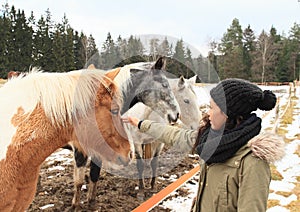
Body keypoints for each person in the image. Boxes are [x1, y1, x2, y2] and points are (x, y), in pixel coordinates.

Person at [122, 78, 285, 212]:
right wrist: (141, 124)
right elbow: (176, 136)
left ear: (229, 115)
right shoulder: (210, 140)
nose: (208, 113)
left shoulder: (252, 163)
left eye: (212, 108)